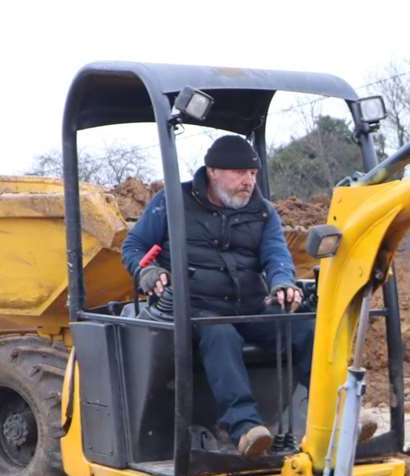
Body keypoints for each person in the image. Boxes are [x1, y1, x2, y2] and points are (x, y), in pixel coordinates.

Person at [122, 134, 311, 457]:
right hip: (194, 311)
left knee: (308, 328)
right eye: (240, 173)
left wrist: (283, 283)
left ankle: (335, 413)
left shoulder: (263, 213)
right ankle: (246, 428)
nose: (248, 181)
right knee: (221, 334)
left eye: (252, 174)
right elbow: (133, 247)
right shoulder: (171, 203)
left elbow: (276, 256)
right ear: (212, 171)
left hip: (249, 307)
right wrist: (147, 272)